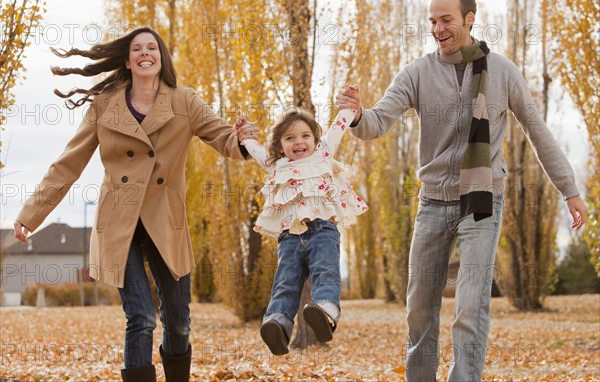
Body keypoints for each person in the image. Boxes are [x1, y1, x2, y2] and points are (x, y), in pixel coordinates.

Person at [336, 0, 587, 381]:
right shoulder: (417, 73)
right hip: (433, 202)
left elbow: (537, 129)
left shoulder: (502, 72)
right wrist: (354, 115)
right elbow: (377, 121)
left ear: (470, 18)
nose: (437, 28)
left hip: (482, 200)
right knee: (419, 306)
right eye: (433, 21)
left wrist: (569, 189)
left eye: (446, 19)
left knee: (470, 305)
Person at [13, 27, 258, 382]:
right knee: (141, 317)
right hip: (119, 224)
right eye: (137, 49)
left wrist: (244, 141)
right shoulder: (104, 107)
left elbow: (223, 138)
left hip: (165, 221)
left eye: (152, 48)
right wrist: (30, 214)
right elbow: (68, 163)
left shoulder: (185, 102)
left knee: (178, 320)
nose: (145, 53)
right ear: (127, 61)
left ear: (161, 58)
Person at [235, 104, 368, 355]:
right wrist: (245, 135)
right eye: (290, 138)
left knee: (325, 271)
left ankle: (326, 311)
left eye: (305, 136)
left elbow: (338, 128)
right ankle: (278, 323)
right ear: (280, 145)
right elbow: (257, 150)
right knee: (286, 281)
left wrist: (349, 108)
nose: (299, 142)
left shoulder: (323, 155)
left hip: (323, 231)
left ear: (315, 139)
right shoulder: (277, 166)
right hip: (290, 237)